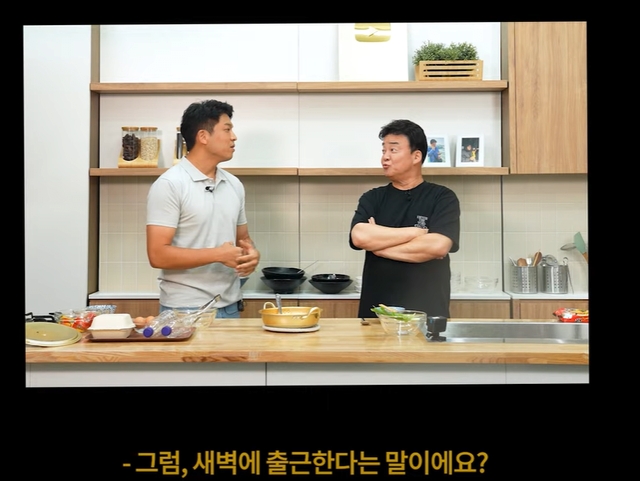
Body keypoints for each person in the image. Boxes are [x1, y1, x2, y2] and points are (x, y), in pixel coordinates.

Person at [146, 99, 260, 318]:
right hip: (184, 311)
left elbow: (243, 239)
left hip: (231, 307)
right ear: (203, 136)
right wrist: (217, 254)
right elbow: (158, 255)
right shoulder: (170, 184)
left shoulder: (234, 184)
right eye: (227, 129)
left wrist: (251, 255)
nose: (234, 137)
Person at [349, 119, 460, 318]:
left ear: (416, 156)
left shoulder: (442, 197)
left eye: (393, 150)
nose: (385, 157)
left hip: (428, 311)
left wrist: (378, 248)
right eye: (383, 150)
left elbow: (438, 246)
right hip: (377, 312)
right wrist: (415, 233)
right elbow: (359, 236)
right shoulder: (372, 198)